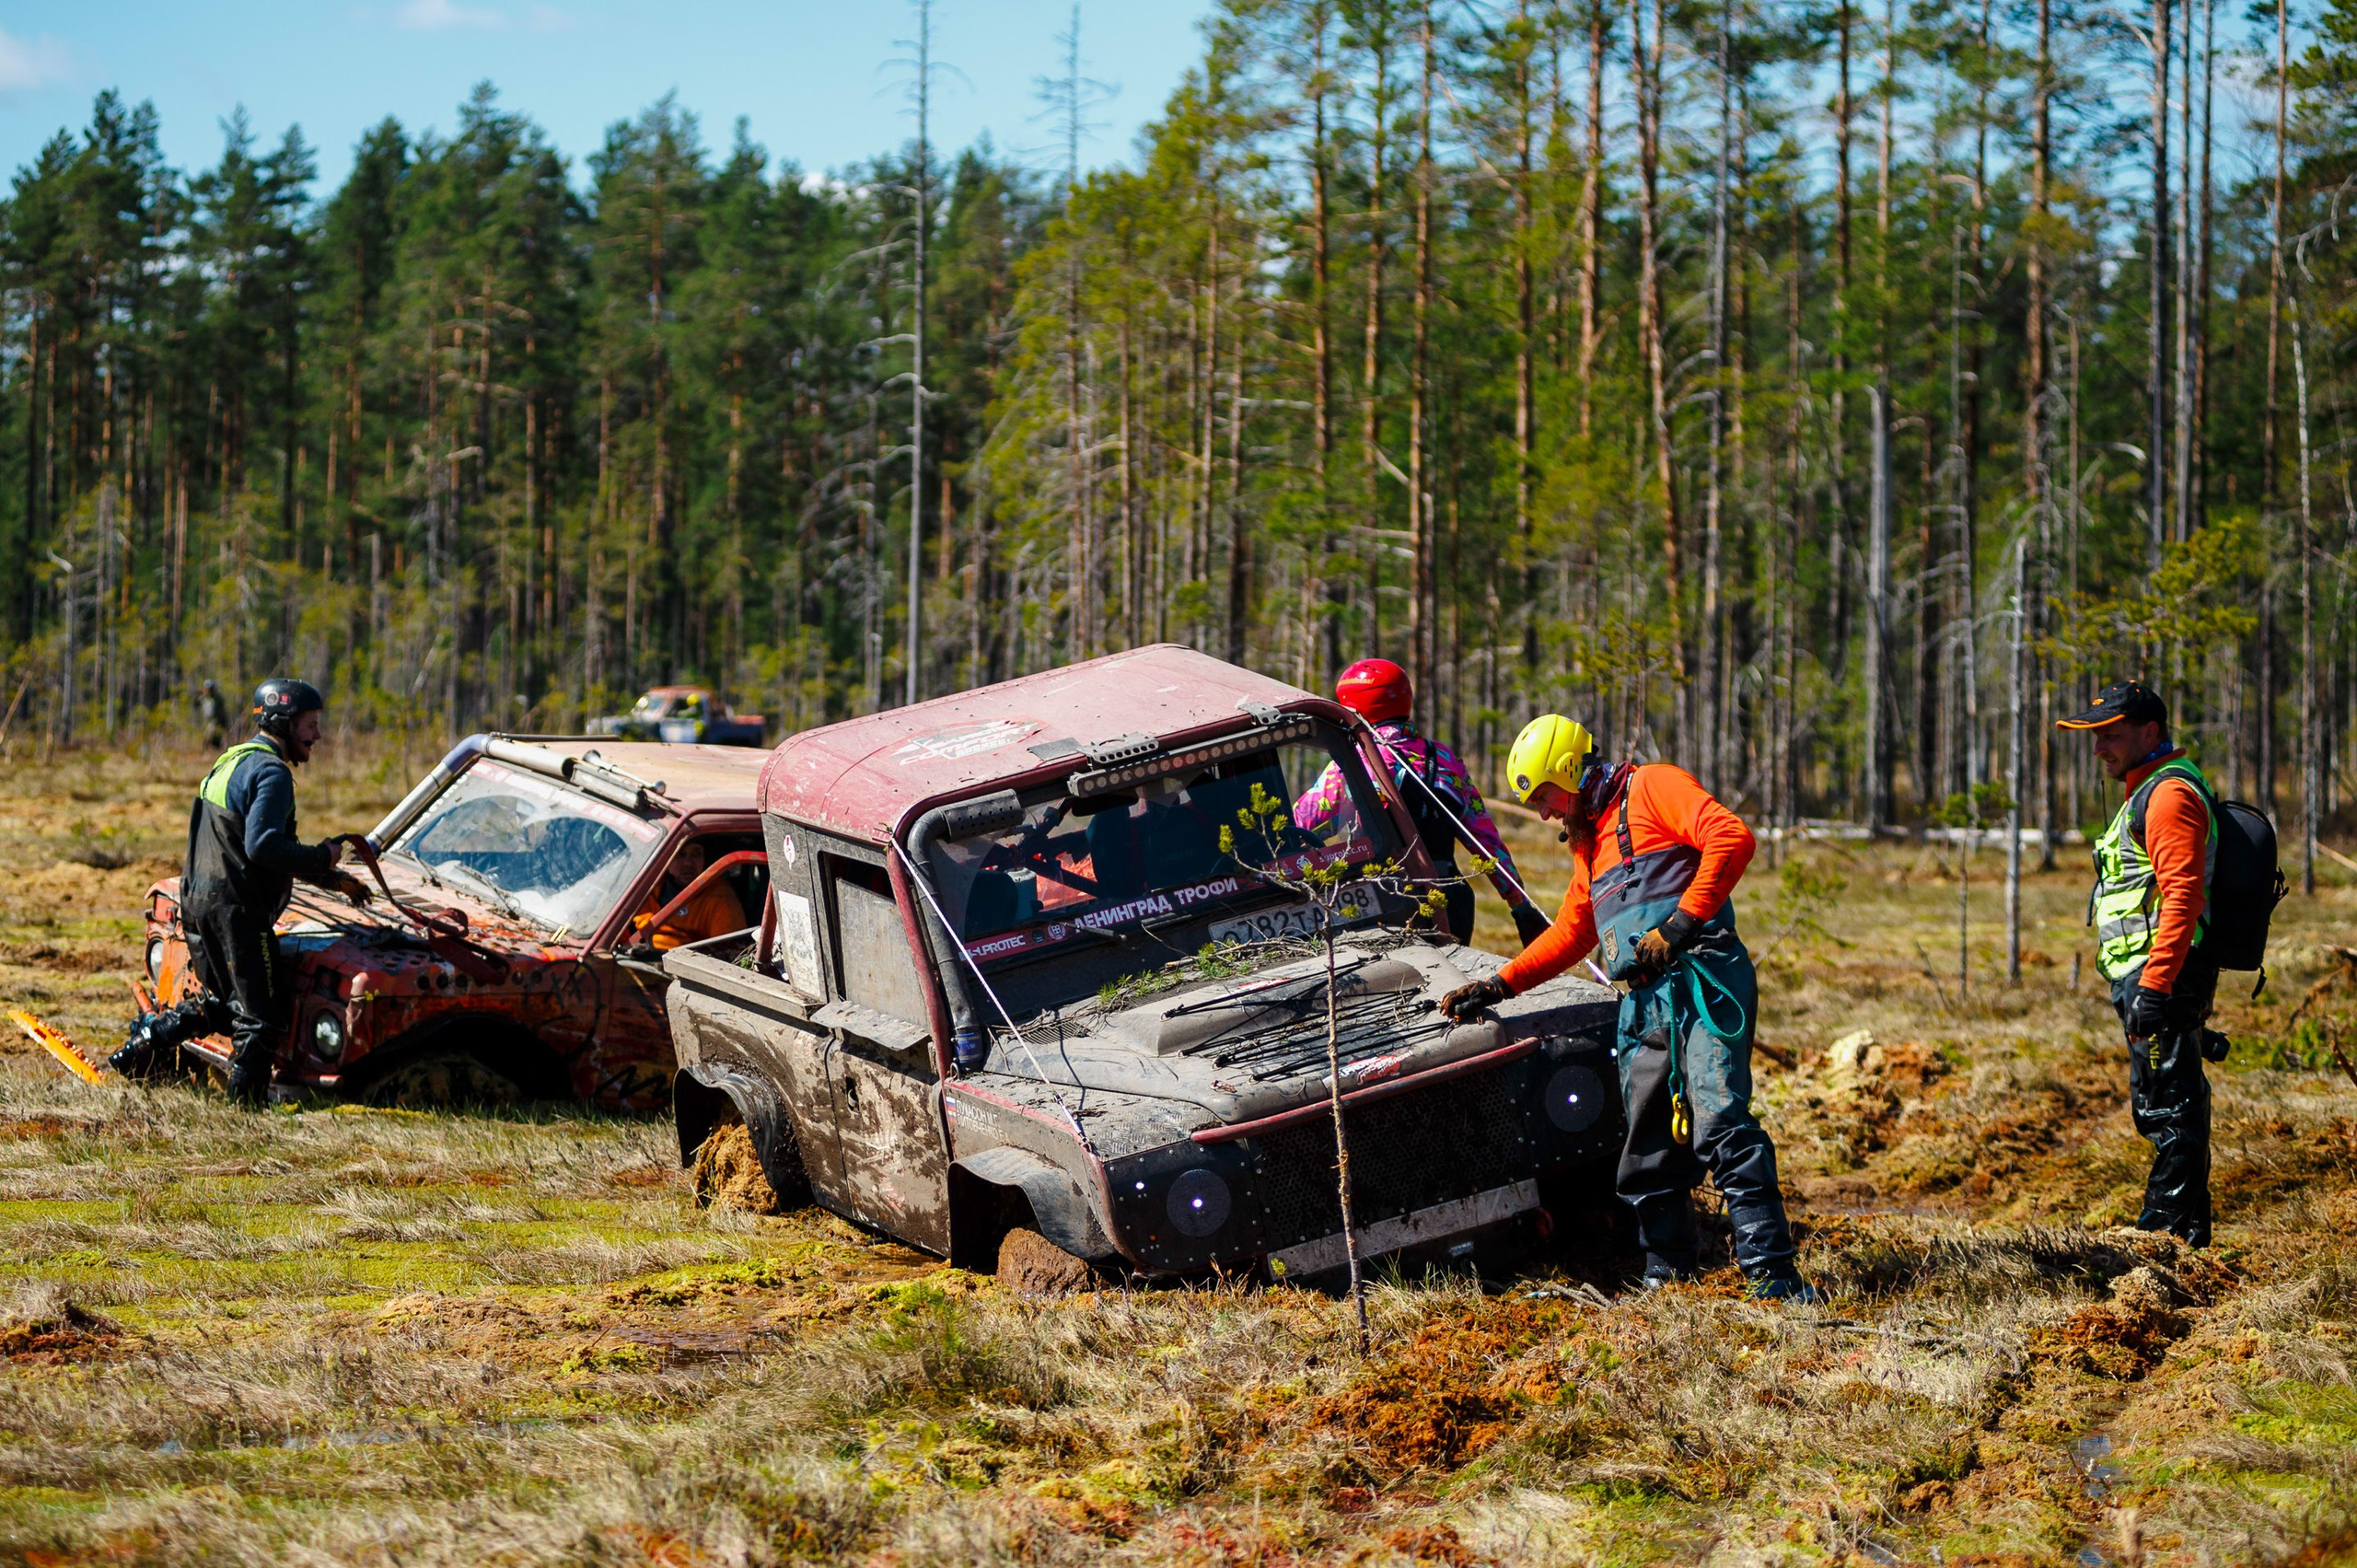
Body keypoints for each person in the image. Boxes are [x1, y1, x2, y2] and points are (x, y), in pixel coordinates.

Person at [1440, 715, 1817, 1302]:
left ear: (1568, 771)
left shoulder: (1653, 787)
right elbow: (1571, 931)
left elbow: (1731, 836)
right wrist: (1498, 986)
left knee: (1720, 1122)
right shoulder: (1589, 848)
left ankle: (1775, 1281)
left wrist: (1682, 923)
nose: (1543, 813)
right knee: (1645, 1147)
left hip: (1703, 979)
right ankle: (1669, 1283)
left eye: (1543, 796)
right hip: (1643, 1003)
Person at [110, 679, 372, 1105]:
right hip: (239, 914)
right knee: (262, 1019)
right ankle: (245, 1112)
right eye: (311, 724)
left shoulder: (231, 761)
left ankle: (141, 1044)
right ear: (285, 723)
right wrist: (324, 856)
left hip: (197, 904)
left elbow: (248, 848)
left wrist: (334, 879)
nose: (318, 735)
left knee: (225, 1001)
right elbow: (263, 846)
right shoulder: (272, 773)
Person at [2059, 679, 2223, 1247]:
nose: (2100, 747)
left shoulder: (2169, 795)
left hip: (2161, 973)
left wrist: (2155, 984)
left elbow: (2183, 894)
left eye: (2111, 734)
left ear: (2150, 732)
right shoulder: (2146, 790)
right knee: (2167, 1102)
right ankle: (2190, 1242)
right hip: (2152, 975)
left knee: (2168, 1110)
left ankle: (2162, 1243)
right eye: (2096, 735)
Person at [1293, 658, 1551, 947]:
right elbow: (1485, 842)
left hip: (1381, 902)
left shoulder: (1351, 765)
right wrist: (1520, 905)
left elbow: (1298, 824)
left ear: (1352, 708)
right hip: (1452, 903)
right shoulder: (1445, 760)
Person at [633, 839, 748, 952]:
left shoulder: (721, 898)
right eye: (680, 854)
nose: (688, 863)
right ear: (666, 859)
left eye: (696, 854)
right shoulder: (648, 884)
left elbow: (728, 952)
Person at [196, 680, 228, 749]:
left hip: (215, 721)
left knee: (213, 737)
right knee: (207, 737)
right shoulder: (203, 698)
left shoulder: (217, 699)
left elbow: (221, 712)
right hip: (206, 721)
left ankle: (212, 750)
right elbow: (195, 704)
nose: (208, 691)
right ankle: (206, 751)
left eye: (209, 689)